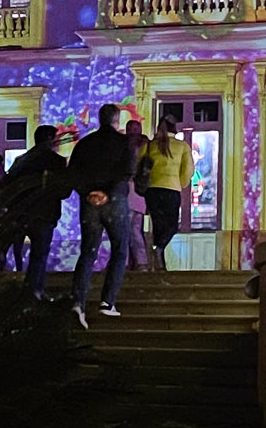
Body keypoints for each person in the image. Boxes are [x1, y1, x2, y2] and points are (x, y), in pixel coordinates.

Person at [67, 102, 134, 327]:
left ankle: (78, 301)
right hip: (114, 200)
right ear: (117, 120)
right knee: (119, 249)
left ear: (99, 118)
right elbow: (128, 170)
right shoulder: (124, 142)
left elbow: (73, 172)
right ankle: (107, 301)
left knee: (88, 251)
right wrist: (107, 192)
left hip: (89, 202)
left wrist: (88, 193)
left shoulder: (85, 144)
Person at [6, 124, 69, 300]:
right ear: (50, 139)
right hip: (45, 213)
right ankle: (34, 290)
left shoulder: (21, 160)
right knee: (39, 255)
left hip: (22, 213)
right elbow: (64, 190)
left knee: (29, 253)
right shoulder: (56, 161)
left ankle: (32, 289)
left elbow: (9, 185)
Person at [142, 114, 194, 274]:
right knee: (172, 225)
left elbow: (137, 164)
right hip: (172, 190)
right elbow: (188, 171)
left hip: (152, 191)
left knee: (158, 225)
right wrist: (180, 183)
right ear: (175, 128)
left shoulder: (150, 145)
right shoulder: (182, 146)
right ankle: (159, 250)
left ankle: (159, 259)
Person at [124, 118, 150, 270]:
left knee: (129, 228)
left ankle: (130, 261)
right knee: (135, 228)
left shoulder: (123, 145)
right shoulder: (146, 145)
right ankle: (140, 261)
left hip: (129, 190)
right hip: (140, 191)